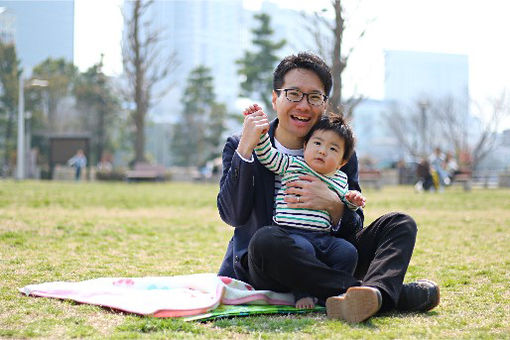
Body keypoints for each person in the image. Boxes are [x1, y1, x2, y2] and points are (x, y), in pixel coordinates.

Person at [217, 52, 440, 323]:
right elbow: (233, 216)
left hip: (330, 253)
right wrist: (245, 149)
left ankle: (361, 293)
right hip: (271, 261)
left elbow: (353, 227)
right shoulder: (244, 144)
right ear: (276, 99)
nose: (303, 105)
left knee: (400, 223)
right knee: (265, 240)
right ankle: (381, 295)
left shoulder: (338, 149)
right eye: (294, 94)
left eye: (314, 97)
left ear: (324, 105)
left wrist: (333, 204)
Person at [245, 104, 364, 309]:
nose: (322, 151)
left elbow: (346, 207)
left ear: (342, 161)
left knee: (347, 252)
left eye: (332, 149)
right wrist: (262, 135)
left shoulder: (340, 179)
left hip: (325, 238)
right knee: (303, 249)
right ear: (305, 145)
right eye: (317, 143)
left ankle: (334, 296)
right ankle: (304, 294)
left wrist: (352, 201)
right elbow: (268, 157)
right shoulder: (293, 164)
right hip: (291, 234)